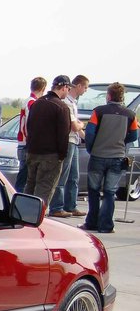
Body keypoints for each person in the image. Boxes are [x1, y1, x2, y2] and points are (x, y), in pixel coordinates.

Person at [81, 82, 139, 233]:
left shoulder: (98, 111)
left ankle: (92, 223)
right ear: (122, 96)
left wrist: (91, 148)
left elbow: (89, 133)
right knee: (109, 192)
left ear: (108, 96)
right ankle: (106, 226)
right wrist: (121, 141)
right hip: (117, 157)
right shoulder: (130, 115)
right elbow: (134, 135)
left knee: (94, 191)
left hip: (98, 156)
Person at [25, 75, 71, 207]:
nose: (68, 92)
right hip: (51, 155)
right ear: (64, 87)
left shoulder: (37, 103)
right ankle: (37, 216)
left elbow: (29, 126)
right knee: (44, 188)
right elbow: (63, 134)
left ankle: (23, 213)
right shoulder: (61, 107)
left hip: (32, 152)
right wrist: (62, 155)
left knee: (30, 186)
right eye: (68, 89)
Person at [61, 75, 90, 216]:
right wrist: (81, 125)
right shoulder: (66, 102)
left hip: (74, 141)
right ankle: (57, 207)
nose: (85, 90)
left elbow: (77, 128)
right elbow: (75, 126)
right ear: (78, 86)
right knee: (64, 176)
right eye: (85, 87)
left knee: (73, 176)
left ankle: (71, 206)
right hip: (68, 141)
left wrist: (88, 139)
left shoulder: (73, 102)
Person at [14, 77, 48, 192]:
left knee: (24, 177)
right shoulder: (32, 102)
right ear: (43, 89)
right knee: (24, 178)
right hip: (27, 144)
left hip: (24, 143)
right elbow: (31, 123)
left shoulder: (29, 101)